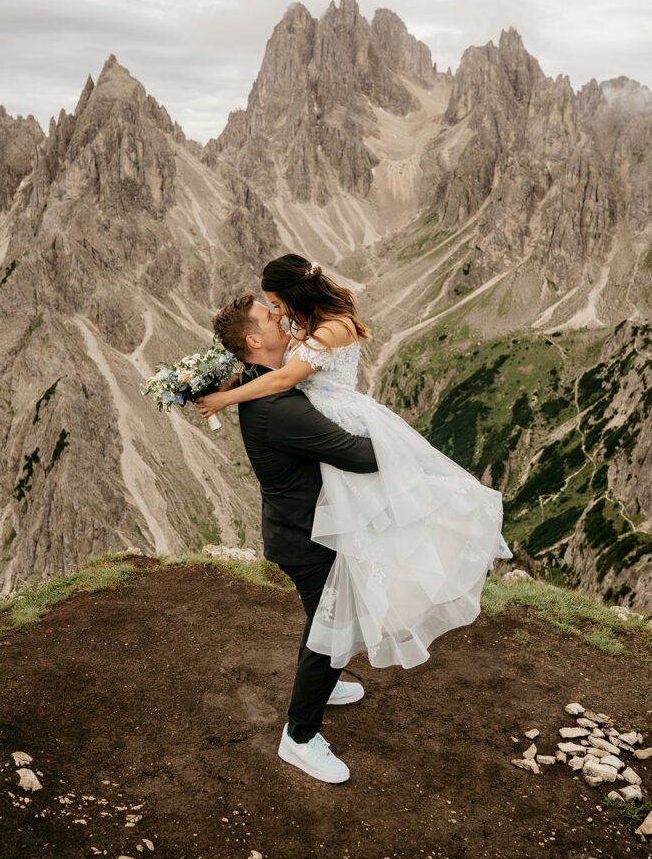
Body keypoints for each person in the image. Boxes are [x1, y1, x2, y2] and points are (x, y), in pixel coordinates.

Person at [198, 255, 513, 673]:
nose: (278, 313)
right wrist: (209, 381)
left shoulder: (334, 328)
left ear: (294, 294)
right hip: (318, 417)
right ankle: (333, 654)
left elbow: (281, 379)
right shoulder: (305, 321)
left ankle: (386, 607)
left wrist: (224, 398)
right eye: (271, 308)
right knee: (354, 533)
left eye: (277, 303)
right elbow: (263, 360)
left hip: (340, 415)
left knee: (381, 511)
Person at [208, 293, 380, 784]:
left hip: (297, 527)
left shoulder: (258, 381)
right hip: (307, 538)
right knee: (333, 628)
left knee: (325, 620)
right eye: (269, 315)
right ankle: (300, 737)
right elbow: (359, 456)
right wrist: (392, 435)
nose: (280, 316)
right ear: (254, 340)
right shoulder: (278, 408)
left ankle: (320, 689)